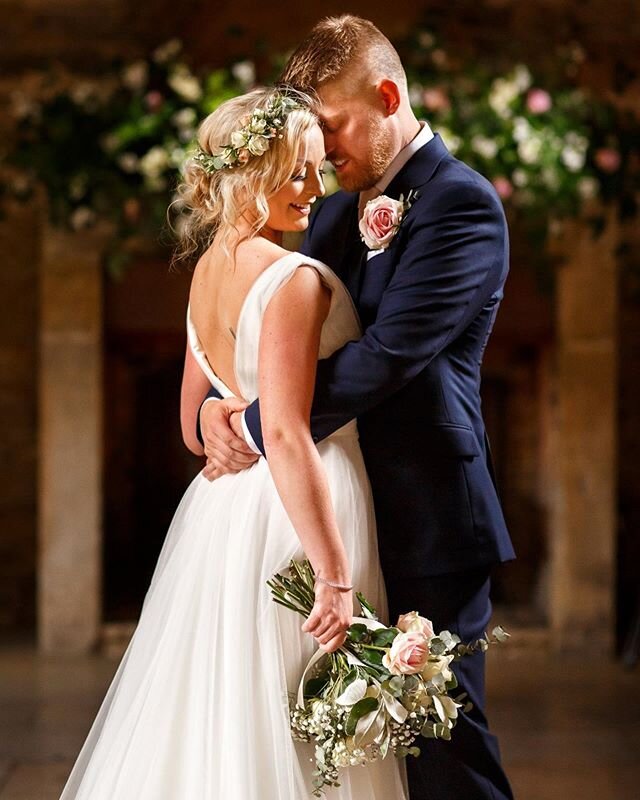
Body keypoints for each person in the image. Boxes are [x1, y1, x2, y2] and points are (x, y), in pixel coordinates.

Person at [196, 15, 516, 800]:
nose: (321, 147)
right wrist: (214, 402)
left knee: (444, 743)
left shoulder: (461, 204)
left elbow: (388, 358)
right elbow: (269, 328)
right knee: (340, 748)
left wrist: (256, 422)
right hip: (340, 510)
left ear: (386, 94)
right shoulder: (331, 211)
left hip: (428, 511)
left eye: (333, 124)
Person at [59, 87, 407, 799]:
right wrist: (335, 578)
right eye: (297, 171)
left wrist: (218, 423)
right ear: (251, 174)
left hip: (221, 517)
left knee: (226, 709)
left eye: (316, 168)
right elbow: (283, 428)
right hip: (296, 514)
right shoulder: (293, 279)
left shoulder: (208, 269)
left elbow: (194, 419)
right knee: (297, 725)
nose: (314, 189)